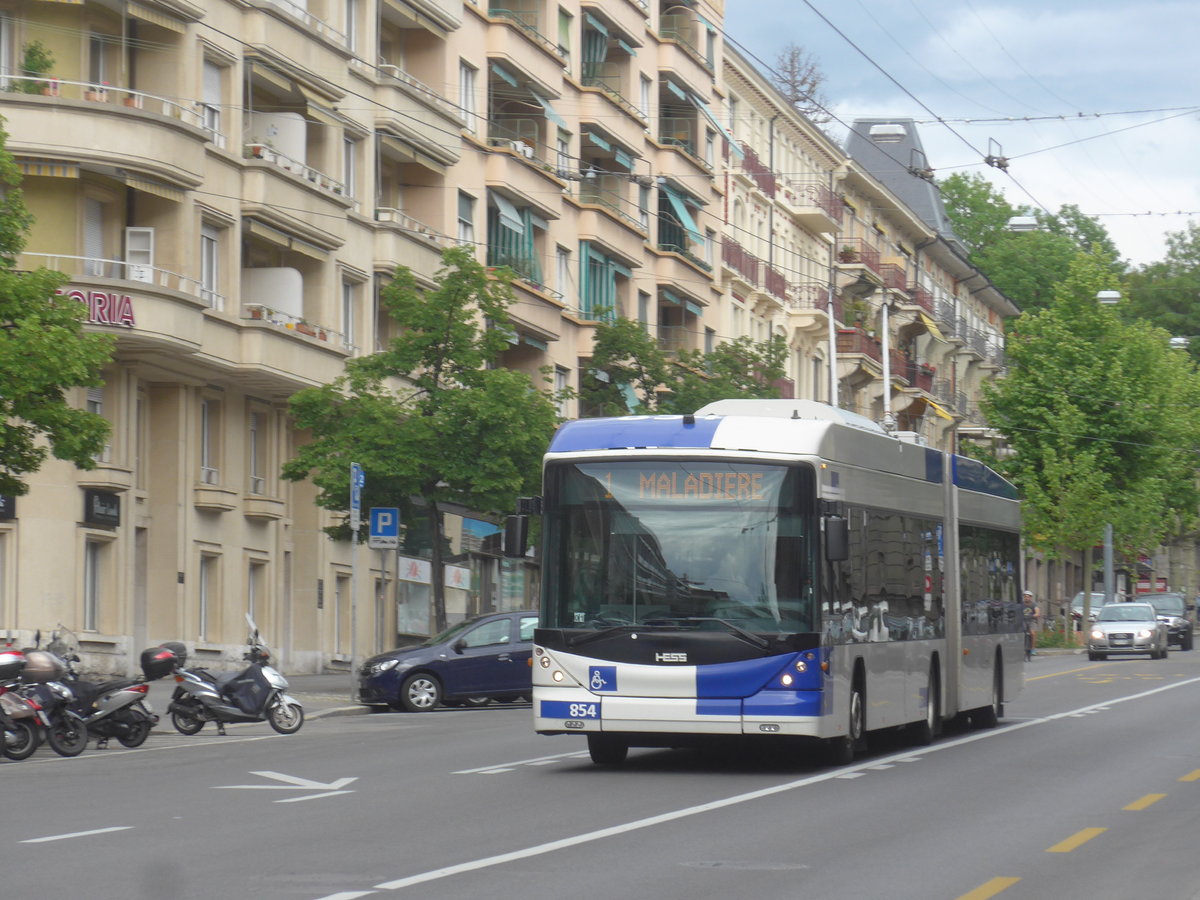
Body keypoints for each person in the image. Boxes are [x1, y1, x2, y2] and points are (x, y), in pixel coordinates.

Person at [1022, 590, 1040, 660]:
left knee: (1032, 633)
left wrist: (1034, 615)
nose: (1027, 598)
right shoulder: (1021, 604)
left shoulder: (1033, 604)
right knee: (1021, 633)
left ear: (1031, 598)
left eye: (1028, 597)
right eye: (1025, 597)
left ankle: (1033, 648)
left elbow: (1037, 612)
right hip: (1023, 620)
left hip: (1032, 620)